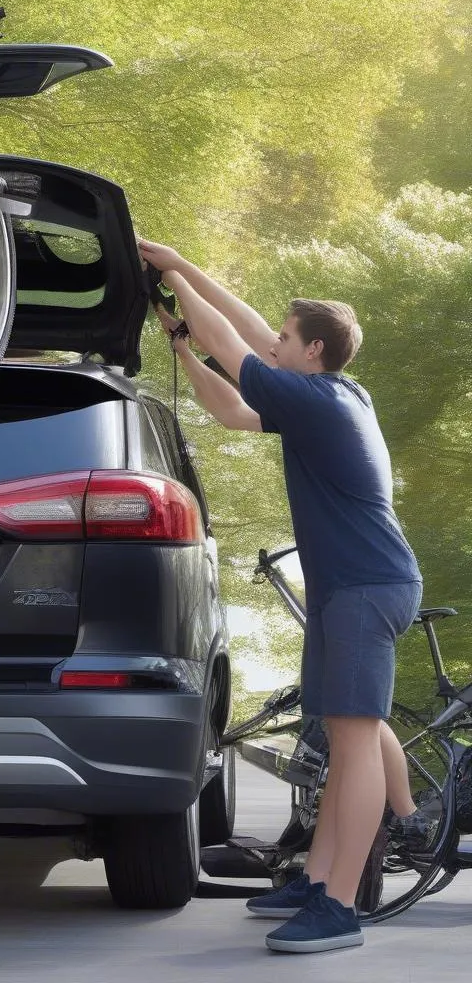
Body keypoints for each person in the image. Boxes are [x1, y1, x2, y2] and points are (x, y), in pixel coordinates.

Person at [138, 240, 423, 954]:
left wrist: (173, 277)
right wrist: (182, 345)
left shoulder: (319, 401)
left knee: (353, 745)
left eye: (285, 338)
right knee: (344, 737)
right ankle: (316, 879)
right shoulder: (329, 395)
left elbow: (233, 342)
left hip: (366, 587)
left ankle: (339, 906)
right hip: (348, 589)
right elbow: (233, 406)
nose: (274, 342)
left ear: (313, 350)